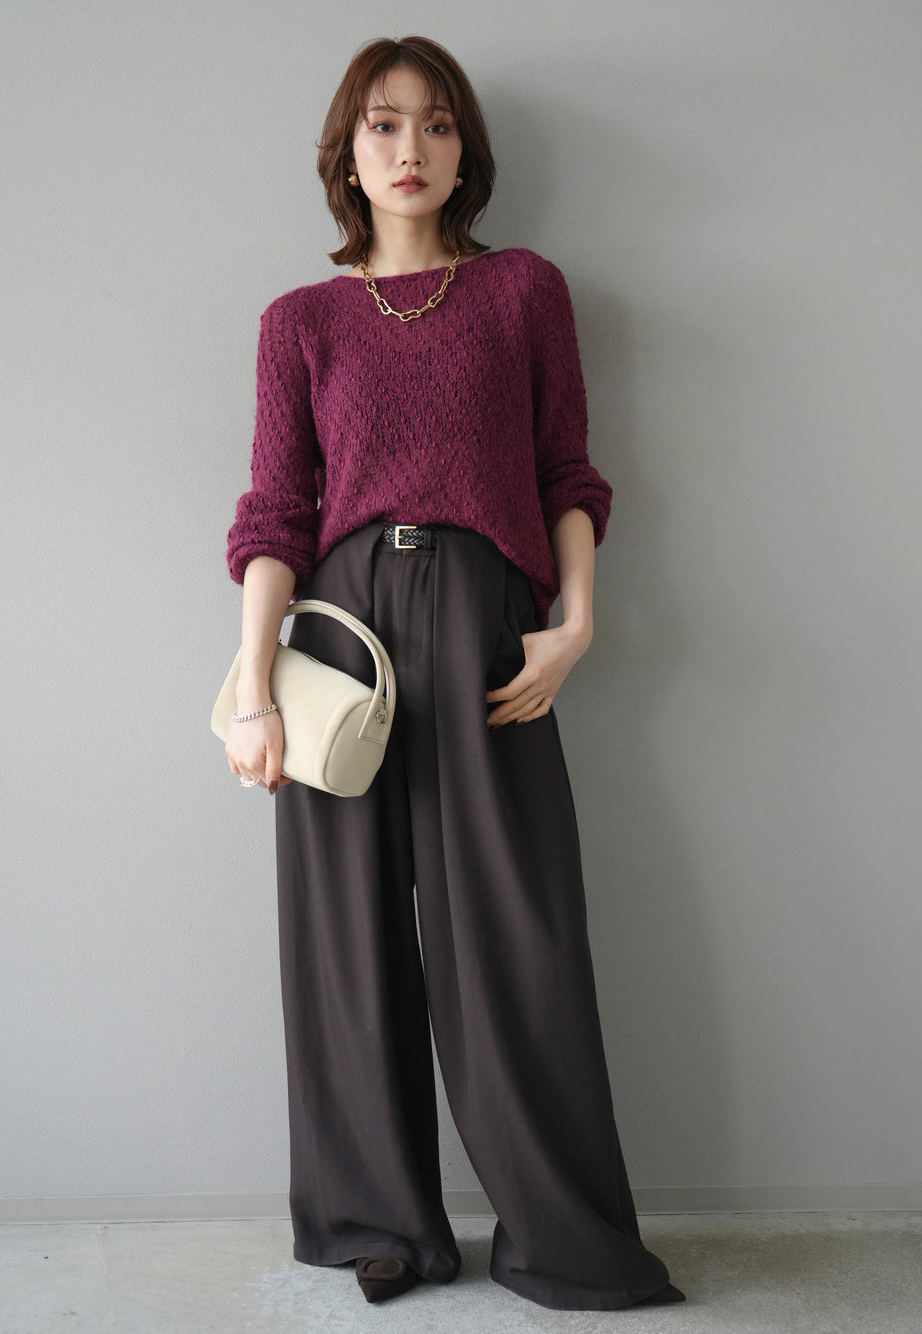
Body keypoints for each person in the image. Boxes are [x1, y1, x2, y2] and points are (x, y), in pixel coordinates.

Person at [223, 34, 685, 1313]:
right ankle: (381, 1221)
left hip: (488, 622)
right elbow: (274, 513)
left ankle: (561, 1235)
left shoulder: (523, 290)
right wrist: (254, 686)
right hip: (338, 635)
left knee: (516, 935)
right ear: (347, 155)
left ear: (465, 152)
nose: (409, 148)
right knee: (346, 935)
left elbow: (565, 470)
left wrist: (574, 621)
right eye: (382, 125)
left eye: (433, 125)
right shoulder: (300, 322)